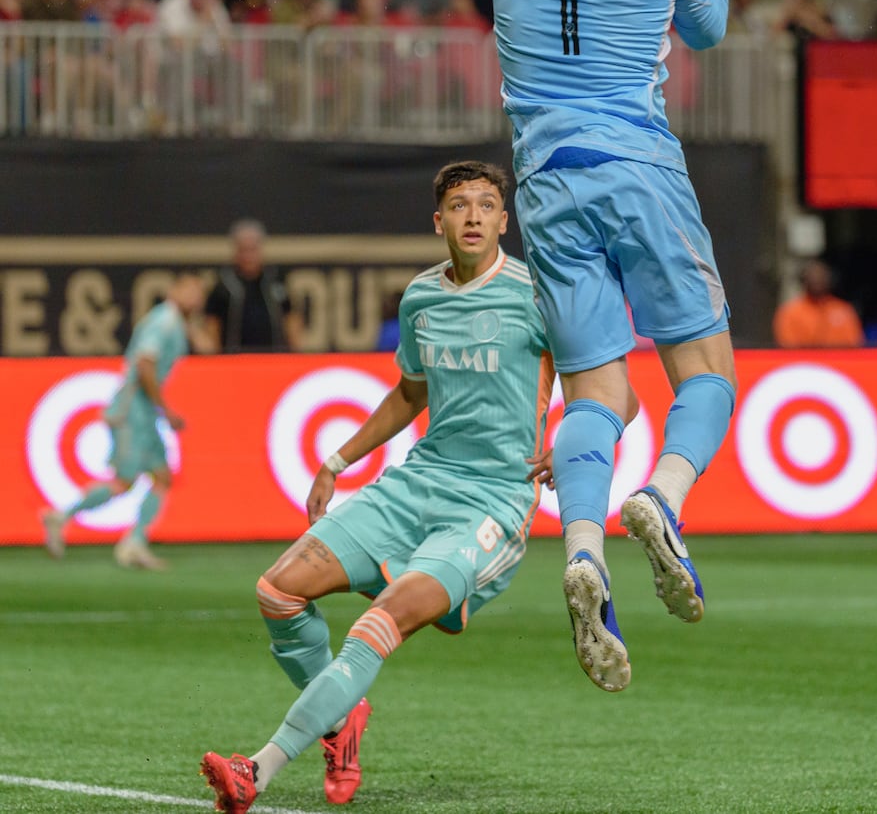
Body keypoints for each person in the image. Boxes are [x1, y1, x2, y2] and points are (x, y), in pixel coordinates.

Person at [199, 161, 567, 812]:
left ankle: (256, 766)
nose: (474, 216)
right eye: (460, 205)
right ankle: (341, 721)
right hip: (417, 483)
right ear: (439, 222)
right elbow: (410, 394)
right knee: (277, 591)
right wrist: (338, 458)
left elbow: (607, 386)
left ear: (505, 221)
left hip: (491, 503)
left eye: (486, 205)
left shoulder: (538, 296)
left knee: (379, 619)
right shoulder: (422, 297)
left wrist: (576, 442)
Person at [486, 0, 737, 693]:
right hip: (637, 165)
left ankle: (583, 548)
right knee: (706, 372)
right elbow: (707, 28)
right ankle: (662, 498)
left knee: (602, 390)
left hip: (547, 178)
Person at [40, 272, 207, 569]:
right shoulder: (164, 321)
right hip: (132, 410)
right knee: (124, 481)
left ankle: (136, 541)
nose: (195, 297)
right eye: (189, 289)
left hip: (144, 412)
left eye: (199, 292)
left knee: (162, 476)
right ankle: (61, 516)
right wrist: (165, 409)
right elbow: (145, 366)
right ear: (173, 291)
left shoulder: (175, 322)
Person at [204, 219, 302, 353]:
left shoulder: (275, 279)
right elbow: (212, 324)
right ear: (236, 251)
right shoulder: (224, 284)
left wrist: (297, 351)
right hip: (234, 360)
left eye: (252, 250)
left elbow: (290, 317)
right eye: (244, 250)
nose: (248, 256)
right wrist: (216, 358)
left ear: (261, 249)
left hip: (274, 358)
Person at [772, 259, 866, 348]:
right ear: (804, 280)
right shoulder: (790, 312)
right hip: (804, 363)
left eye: (821, 277)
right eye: (813, 277)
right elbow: (787, 345)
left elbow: (855, 343)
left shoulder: (844, 310)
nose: (817, 281)